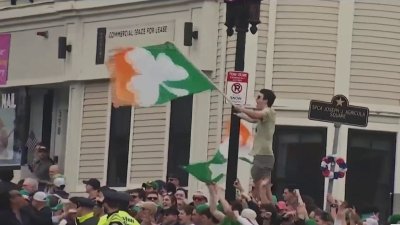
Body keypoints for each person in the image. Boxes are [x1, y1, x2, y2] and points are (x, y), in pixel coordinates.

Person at [234, 89, 276, 204]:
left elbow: (256, 114)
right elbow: (253, 119)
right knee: (263, 188)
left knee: (261, 187)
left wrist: (241, 109)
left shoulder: (268, 111)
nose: (256, 100)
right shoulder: (265, 115)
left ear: (266, 100)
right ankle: (270, 207)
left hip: (264, 156)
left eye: (259, 97)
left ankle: (267, 207)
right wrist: (239, 114)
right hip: (263, 156)